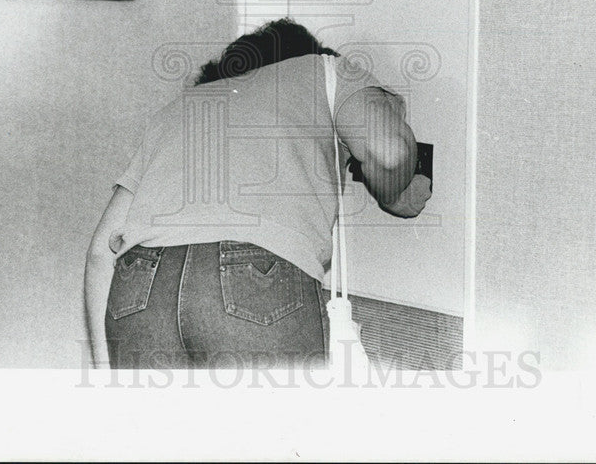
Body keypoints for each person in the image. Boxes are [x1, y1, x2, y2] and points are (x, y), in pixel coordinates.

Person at [84, 19, 431, 369]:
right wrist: (398, 195)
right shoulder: (327, 71)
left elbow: (102, 249)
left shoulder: (184, 105)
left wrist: (104, 380)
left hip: (139, 290)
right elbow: (390, 152)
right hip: (253, 281)